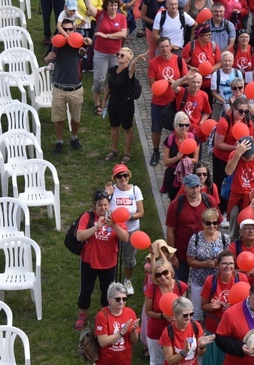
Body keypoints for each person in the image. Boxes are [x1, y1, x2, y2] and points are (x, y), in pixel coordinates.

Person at [74, 190, 129, 331]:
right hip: (89, 261)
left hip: (109, 263)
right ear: (94, 206)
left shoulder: (115, 218)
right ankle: (82, 314)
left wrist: (114, 226)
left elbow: (125, 238)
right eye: (100, 206)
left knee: (107, 292)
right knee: (86, 290)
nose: (103, 208)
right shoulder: (87, 217)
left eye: (105, 205)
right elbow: (79, 236)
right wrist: (96, 227)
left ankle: (105, 315)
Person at [43, 20, 90, 154]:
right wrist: (47, 58)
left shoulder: (77, 43)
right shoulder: (56, 44)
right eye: (65, 29)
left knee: (76, 117)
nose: (68, 32)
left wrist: (83, 49)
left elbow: (85, 54)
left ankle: (74, 138)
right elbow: (45, 58)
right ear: (60, 30)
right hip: (59, 88)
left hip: (75, 88)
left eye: (70, 29)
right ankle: (59, 141)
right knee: (58, 118)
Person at [166, 174, 219, 282]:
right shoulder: (176, 205)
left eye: (197, 186)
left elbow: (216, 225)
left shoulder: (209, 201)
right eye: (192, 187)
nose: (195, 190)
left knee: (205, 285)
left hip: (205, 254)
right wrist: (172, 255)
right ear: (184, 187)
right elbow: (170, 231)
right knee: (180, 284)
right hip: (182, 253)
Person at [105, 164, 144, 296]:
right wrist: (107, 194)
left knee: (129, 257)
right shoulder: (112, 191)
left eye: (125, 175)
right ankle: (110, 280)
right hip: (113, 229)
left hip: (131, 230)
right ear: (115, 178)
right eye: (119, 176)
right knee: (110, 255)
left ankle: (127, 280)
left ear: (129, 175)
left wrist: (129, 217)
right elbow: (101, 205)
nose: (122, 178)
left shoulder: (135, 190)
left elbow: (141, 212)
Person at [186, 208, 231, 323]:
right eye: (208, 223)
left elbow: (229, 259)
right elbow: (190, 261)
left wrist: (220, 265)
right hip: (199, 281)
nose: (212, 226)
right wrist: (205, 264)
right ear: (202, 223)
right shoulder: (195, 238)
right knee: (196, 314)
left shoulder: (224, 238)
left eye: (215, 223)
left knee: (217, 311)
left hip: (218, 283)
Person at [102, 47, 146, 163]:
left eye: (122, 55)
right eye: (118, 54)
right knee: (114, 127)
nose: (118, 57)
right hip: (113, 103)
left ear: (128, 59)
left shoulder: (129, 71)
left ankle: (127, 152)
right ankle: (114, 149)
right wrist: (103, 101)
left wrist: (137, 59)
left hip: (125, 104)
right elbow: (108, 86)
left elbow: (133, 65)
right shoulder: (113, 69)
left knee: (127, 128)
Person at [224, 137, 254, 232]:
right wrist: (238, 154)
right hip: (236, 197)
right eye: (244, 155)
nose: (245, 158)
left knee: (253, 226)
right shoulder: (235, 155)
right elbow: (228, 171)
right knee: (234, 221)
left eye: (248, 155)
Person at [159, 297, 214, 363]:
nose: (189, 317)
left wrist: (202, 346)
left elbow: (200, 353)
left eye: (191, 314)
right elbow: (170, 361)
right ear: (175, 314)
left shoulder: (196, 326)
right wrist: (184, 352)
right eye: (185, 315)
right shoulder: (168, 332)